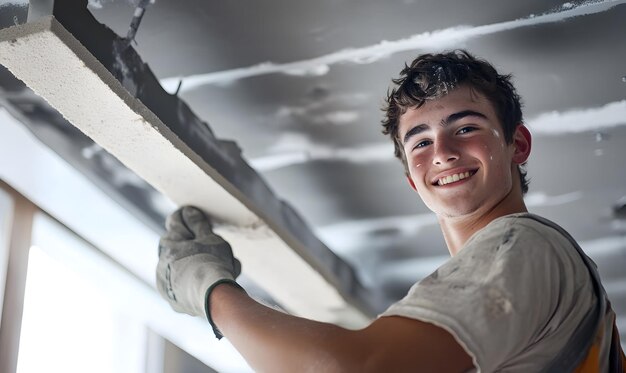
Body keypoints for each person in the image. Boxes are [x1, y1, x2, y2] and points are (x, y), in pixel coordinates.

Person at [156, 50, 625, 372]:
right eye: (420, 141)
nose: (441, 152)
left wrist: (211, 293)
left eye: (465, 128)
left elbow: (352, 370)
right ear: (411, 177)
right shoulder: (533, 269)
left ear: (517, 144)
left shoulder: (520, 247)